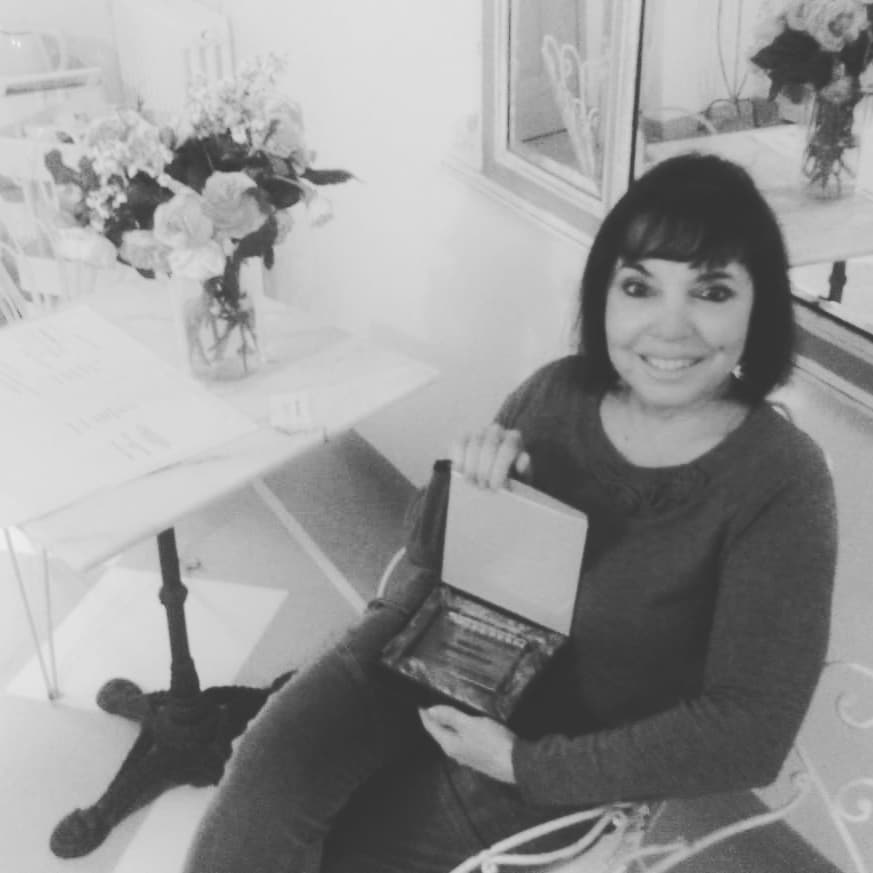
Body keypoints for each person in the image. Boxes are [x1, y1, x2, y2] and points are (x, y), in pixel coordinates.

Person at [182, 153, 838, 873]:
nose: (669, 327)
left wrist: (522, 764)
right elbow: (428, 560)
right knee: (258, 793)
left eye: (711, 291)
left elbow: (748, 733)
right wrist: (467, 486)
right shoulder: (558, 393)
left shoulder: (778, 480)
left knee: (351, 850)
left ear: (759, 306)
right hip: (430, 650)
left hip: (557, 748)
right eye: (638, 286)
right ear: (604, 294)